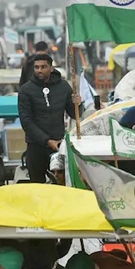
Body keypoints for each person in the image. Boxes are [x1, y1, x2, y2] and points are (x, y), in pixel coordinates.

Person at [18, 54, 82, 183]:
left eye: (43, 67)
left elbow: (75, 114)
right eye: (36, 67)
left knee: (61, 184)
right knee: (37, 187)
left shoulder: (64, 87)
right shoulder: (26, 90)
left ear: (51, 68)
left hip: (58, 145)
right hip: (36, 146)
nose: (39, 70)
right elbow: (26, 121)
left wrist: (78, 104)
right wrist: (47, 141)